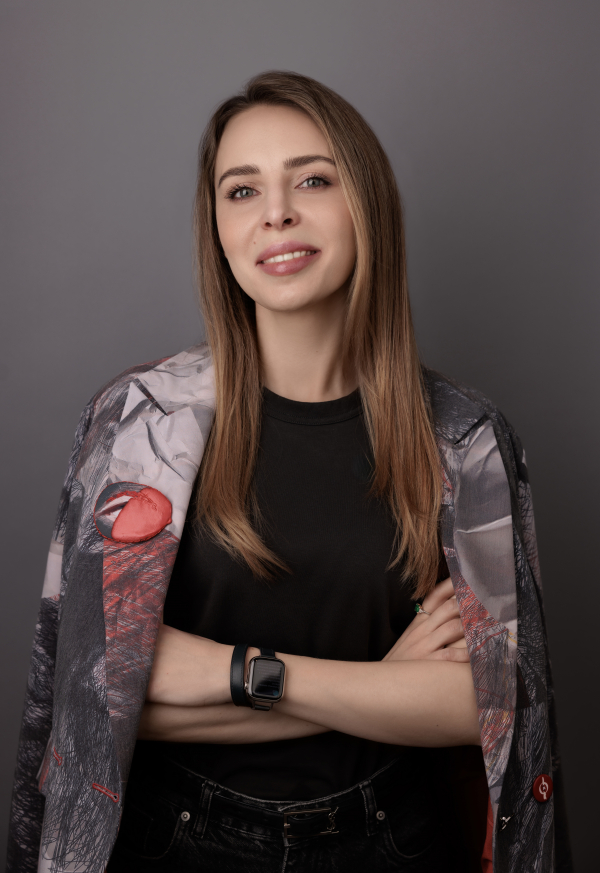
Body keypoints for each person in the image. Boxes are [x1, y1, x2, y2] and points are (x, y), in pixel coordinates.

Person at [7, 71, 571, 873]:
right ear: (218, 229)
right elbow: (97, 701)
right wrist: (385, 686)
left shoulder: (465, 439)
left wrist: (228, 672)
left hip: (393, 843)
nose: (276, 212)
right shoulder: (139, 426)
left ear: (367, 203)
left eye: (312, 180)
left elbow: (487, 705)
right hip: (174, 841)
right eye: (242, 190)